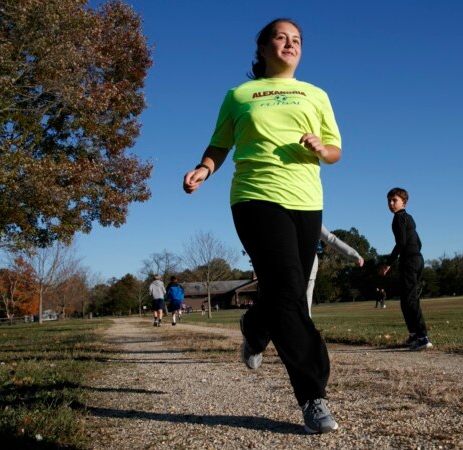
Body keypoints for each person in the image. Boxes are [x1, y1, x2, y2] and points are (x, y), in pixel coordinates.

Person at [182, 18, 341, 434]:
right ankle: (312, 396)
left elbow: (336, 149)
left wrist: (323, 148)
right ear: (263, 48)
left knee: (282, 287)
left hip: (307, 200)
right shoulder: (239, 95)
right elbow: (221, 142)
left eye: (297, 40)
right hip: (254, 196)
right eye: (281, 37)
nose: (290, 44)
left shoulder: (317, 94)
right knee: (290, 289)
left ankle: (254, 328)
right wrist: (204, 168)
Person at [378, 187, 432, 351]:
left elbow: (401, 243)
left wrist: (388, 263)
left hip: (409, 260)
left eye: (394, 200)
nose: (391, 204)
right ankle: (414, 334)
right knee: (406, 300)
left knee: (410, 300)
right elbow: (418, 241)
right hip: (417, 259)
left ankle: (423, 337)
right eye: (389, 201)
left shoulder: (398, 218)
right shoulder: (408, 218)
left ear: (404, 202)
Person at [306, 225, 364, 316]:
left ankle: (305, 326)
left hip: (308, 267)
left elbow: (330, 238)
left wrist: (354, 254)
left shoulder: (312, 216)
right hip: (288, 266)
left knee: (306, 305)